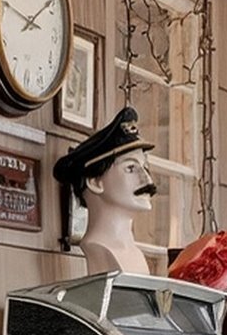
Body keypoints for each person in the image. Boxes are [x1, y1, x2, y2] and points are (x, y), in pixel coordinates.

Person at [53, 107, 163, 276]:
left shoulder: (136, 255)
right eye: (131, 168)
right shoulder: (99, 250)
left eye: (145, 168)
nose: (147, 180)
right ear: (95, 182)